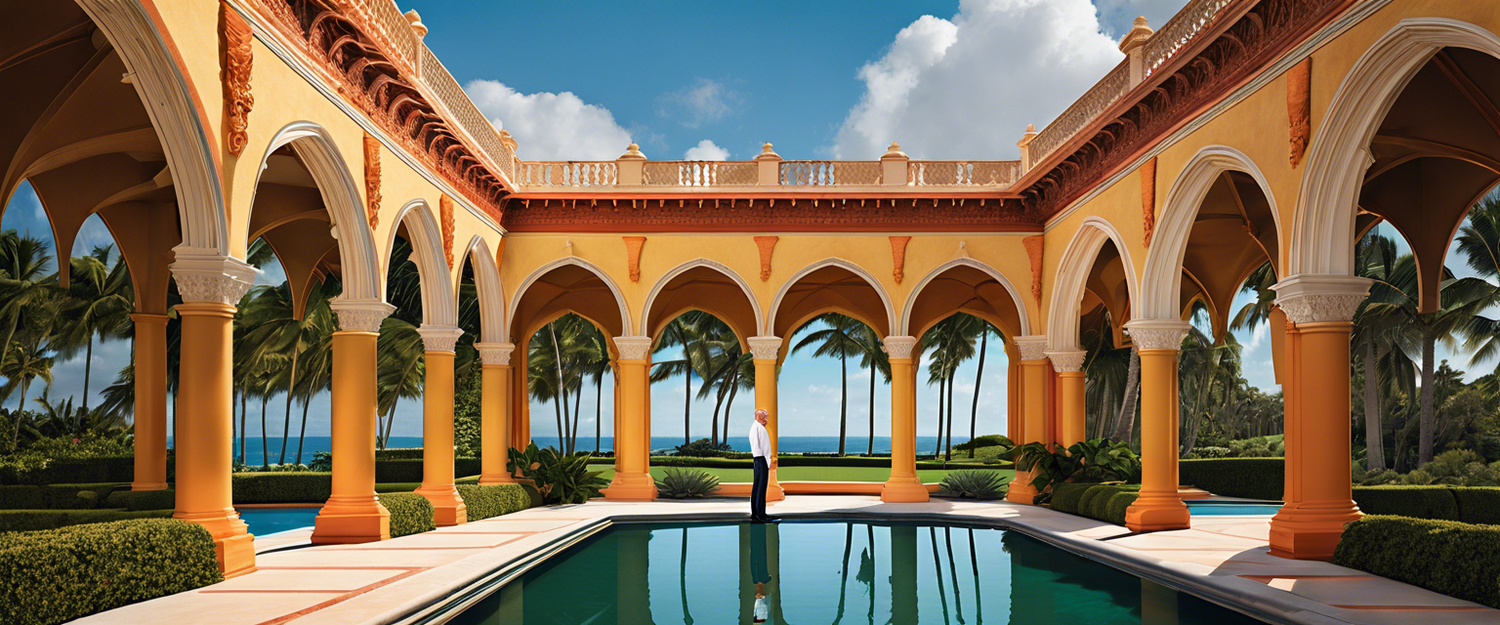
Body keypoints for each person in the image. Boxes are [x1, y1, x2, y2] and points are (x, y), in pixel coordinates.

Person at [749, 408, 779, 522]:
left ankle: (757, 513)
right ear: (757, 417)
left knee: (757, 487)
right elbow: (765, 448)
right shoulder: (760, 428)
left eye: (766, 417)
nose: (766, 419)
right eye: (764, 417)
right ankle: (760, 515)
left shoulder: (754, 427)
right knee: (760, 488)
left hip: (758, 459)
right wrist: (768, 462)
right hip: (761, 459)